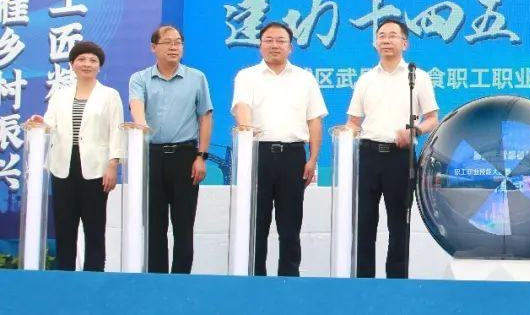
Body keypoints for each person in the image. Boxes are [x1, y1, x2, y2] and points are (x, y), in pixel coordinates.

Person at [346, 18, 439, 279]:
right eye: (381, 36)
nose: (386, 40)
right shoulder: (365, 80)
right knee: (364, 222)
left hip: (400, 157)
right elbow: (353, 122)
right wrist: (346, 132)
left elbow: (432, 118)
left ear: (404, 43)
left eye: (392, 35)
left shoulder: (417, 77)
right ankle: (364, 282)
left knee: (399, 223)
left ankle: (396, 283)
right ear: (375, 43)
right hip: (368, 155)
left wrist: (415, 131)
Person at [232, 22, 327, 276]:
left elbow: (314, 120)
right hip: (258, 155)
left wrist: (313, 159)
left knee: (290, 226)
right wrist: (246, 131)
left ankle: (289, 279)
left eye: (281, 40)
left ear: (290, 47)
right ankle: (255, 279)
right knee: (257, 225)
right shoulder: (247, 76)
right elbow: (242, 107)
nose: (275, 45)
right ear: (260, 45)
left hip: (293, 157)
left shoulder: (305, 79)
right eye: (269, 40)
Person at [27, 41, 124, 271]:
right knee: (64, 226)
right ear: (72, 64)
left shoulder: (109, 95)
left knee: (94, 228)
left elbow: (116, 132)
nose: (87, 64)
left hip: (96, 169)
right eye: (81, 59)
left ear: (99, 66)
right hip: (63, 166)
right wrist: (41, 123)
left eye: (92, 60)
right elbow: (50, 124)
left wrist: (113, 164)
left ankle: (94, 276)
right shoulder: (60, 95)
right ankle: (64, 276)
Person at [129, 25, 213, 274]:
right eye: (167, 42)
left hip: (185, 157)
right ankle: (156, 280)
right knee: (154, 225)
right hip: (152, 156)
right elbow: (136, 106)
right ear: (153, 47)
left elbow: (205, 117)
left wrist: (202, 156)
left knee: (183, 224)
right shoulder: (140, 78)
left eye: (178, 42)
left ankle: (181, 280)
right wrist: (141, 126)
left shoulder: (196, 78)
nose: (174, 47)